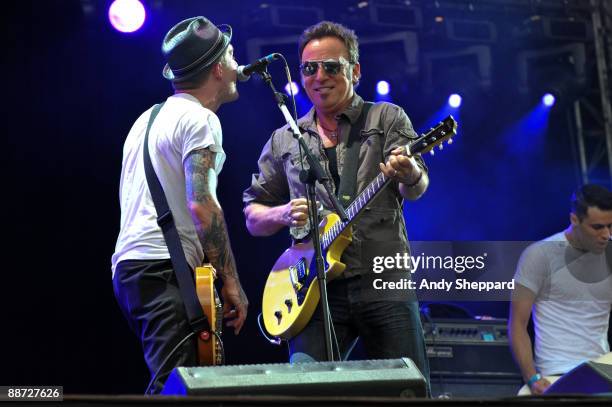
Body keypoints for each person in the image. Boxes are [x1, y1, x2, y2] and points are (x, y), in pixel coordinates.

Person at [243, 21, 430, 382]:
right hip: (314, 289)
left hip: (383, 278)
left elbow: (417, 188)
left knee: (408, 388)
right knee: (305, 389)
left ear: (355, 71)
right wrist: (281, 213)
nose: (319, 76)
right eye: (309, 68)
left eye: (331, 66)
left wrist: (408, 172)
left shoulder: (386, 117)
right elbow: (253, 216)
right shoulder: (286, 138)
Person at [111, 16, 248, 394]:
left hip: (133, 268)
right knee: (176, 388)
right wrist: (232, 281)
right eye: (233, 56)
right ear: (218, 68)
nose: (239, 66)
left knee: (180, 382)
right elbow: (202, 205)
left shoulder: (147, 119)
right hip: (161, 268)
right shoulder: (200, 119)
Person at [509, 184, 612, 395]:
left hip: (603, 373)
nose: (606, 234)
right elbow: (517, 325)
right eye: (597, 227)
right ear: (574, 220)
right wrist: (533, 378)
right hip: (555, 375)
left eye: (610, 226)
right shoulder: (539, 255)